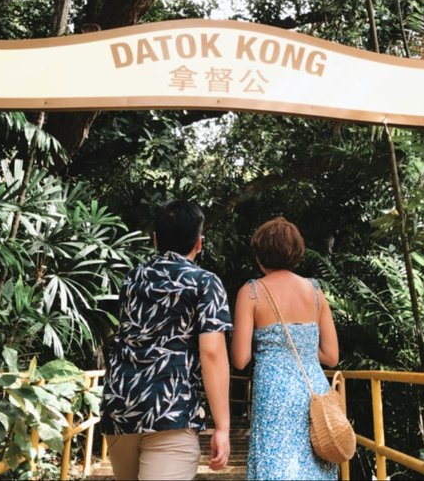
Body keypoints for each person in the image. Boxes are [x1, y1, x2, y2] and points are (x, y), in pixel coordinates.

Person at [101, 200, 232, 480]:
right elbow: (212, 353)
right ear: (199, 243)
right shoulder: (205, 283)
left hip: (121, 405)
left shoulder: (132, 278)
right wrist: (222, 427)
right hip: (170, 406)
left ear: (155, 239)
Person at [230, 217, 340, 480]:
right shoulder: (315, 292)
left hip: (274, 393)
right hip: (314, 392)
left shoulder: (251, 292)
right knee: (316, 467)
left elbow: (240, 359)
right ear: (297, 252)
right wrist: (300, 347)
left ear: (260, 254)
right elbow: (331, 356)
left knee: (275, 465)